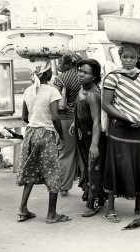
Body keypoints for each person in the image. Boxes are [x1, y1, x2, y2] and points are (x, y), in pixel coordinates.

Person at [102, 44, 140, 223]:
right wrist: (126, 117)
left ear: (138, 58)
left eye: (132, 58)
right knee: (116, 165)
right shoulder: (113, 77)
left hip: (139, 128)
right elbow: (106, 104)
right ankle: (110, 209)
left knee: (139, 164)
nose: (128, 61)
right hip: (119, 128)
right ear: (120, 57)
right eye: (125, 57)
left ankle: (139, 205)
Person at [16, 58, 71, 224]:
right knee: (52, 172)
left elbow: (25, 117)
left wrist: (35, 124)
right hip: (46, 134)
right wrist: (61, 136)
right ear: (48, 73)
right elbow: (55, 117)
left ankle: (23, 209)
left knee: (30, 170)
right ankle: (52, 214)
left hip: (30, 133)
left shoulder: (28, 91)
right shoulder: (52, 91)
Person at [69, 59, 107, 217]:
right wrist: (74, 123)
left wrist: (95, 145)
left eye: (85, 73)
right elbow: (80, 111)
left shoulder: (93, 95)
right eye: (80, 71)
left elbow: (97, 121)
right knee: (87, 167)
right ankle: (93, 196)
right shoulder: (82, 90)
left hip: (93, 138)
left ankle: (95, 203)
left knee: (94, 169)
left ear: (94, 76)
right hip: (83, 136)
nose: (80, 75)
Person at [53, 51, 82, 197]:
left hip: (65, 119)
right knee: (83, 152)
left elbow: (53, 100)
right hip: (82, 118)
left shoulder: (61, 78)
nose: (58, 65)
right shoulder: (83, 74)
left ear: (67, 63)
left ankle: (63, 186)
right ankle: (88, 185)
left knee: (66, 152)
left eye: (60, 62)